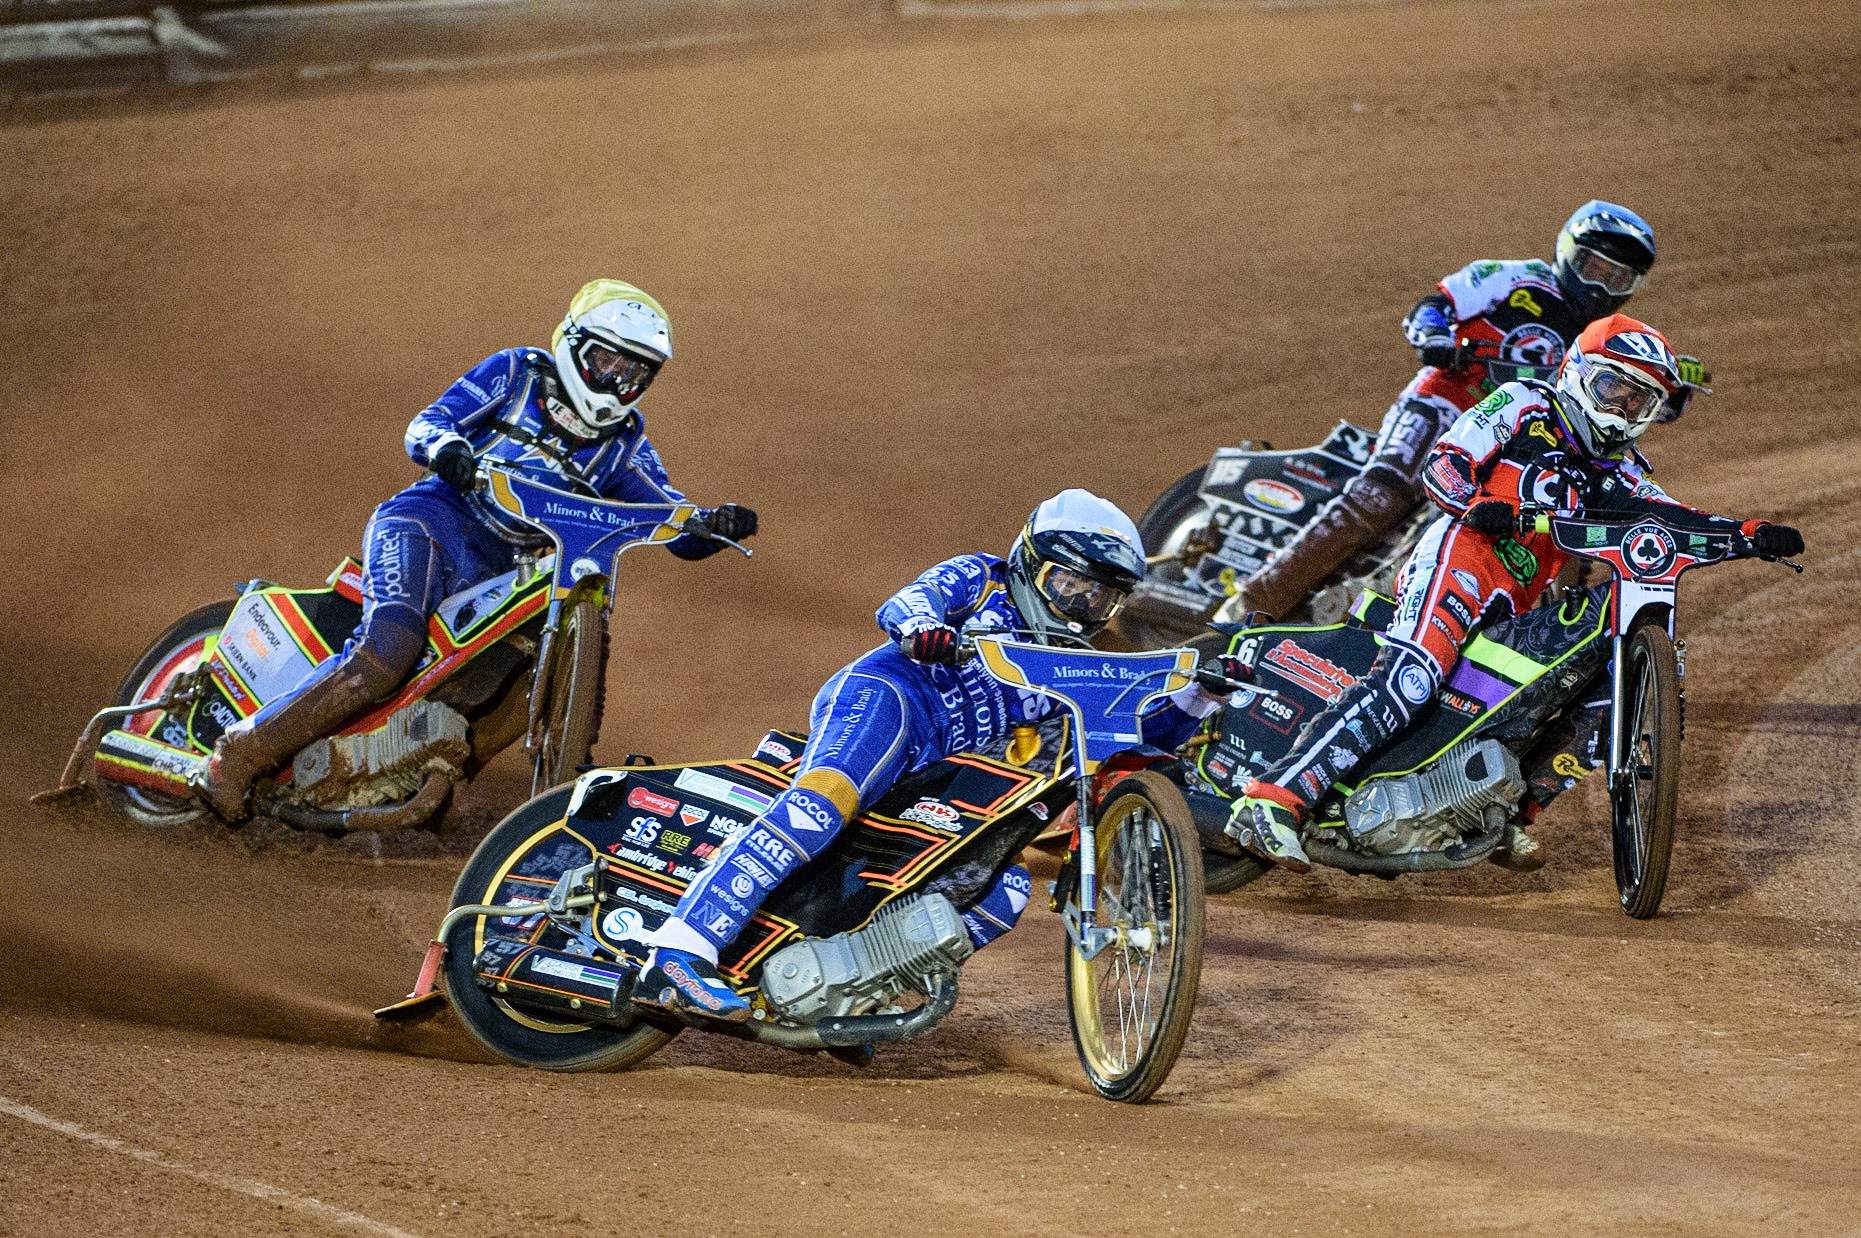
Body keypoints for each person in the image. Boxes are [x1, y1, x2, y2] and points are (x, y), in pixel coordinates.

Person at [636, 489, 1248, 1021]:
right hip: (891, 698)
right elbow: (906, 603)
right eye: (1071, 586)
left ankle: (849, 987)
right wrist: (925, 629)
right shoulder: (982, 576)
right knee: (821, 808)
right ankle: (680, 950)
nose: (1082, 609)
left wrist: (1199, 697)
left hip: (941, 771)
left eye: (1100, 599)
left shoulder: (1073, 665)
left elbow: (1133, 741)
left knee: (1001, 885)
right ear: (1032, 563)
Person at [1225, 314, 1803, 871]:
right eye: (1612, 388)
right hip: (1461, 558)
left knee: (1572, 684)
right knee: (1411, 679)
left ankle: (1510, 816)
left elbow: (1676, 520)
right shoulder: (1527, 403)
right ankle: (1274, 800)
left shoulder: (1619, 473)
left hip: (1517, 597)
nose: (1622, 410)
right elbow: (1446, 461)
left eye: (1639, 402)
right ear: (1577, 369)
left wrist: (1748, 534)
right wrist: (1479, 505)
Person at [195, 279, 758, 821]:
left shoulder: (625, 446)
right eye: (608, 362)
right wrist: (447, 448)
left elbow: (670, 517)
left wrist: (712, 525)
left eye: (636, 373)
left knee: (519, 680)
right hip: (430, 523)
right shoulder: (518, 374)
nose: (617, 382)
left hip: (506, 575)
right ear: (573, 345)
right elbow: (429, 422)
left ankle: (418, 781)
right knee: (387, 651)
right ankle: (238, 755)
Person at [1235, 200, 1705, 621]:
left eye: (1617, 277)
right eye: (1591, 267)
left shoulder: (1607, 339)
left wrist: (1669, 397)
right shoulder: (1512, 278)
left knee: (1559, 536)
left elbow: (1624, 404)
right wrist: (1435, 339)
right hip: (1445, 401)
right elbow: (1432, 306)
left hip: (1517, 439)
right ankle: (1252, 603)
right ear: (1567, 252)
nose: (1599, 286)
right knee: (1379, 497)